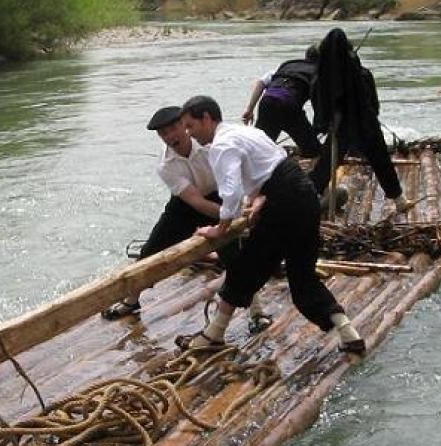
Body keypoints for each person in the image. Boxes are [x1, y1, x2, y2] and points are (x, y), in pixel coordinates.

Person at [178, 95, 366, 355]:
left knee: (245, 269)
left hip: (283, 205)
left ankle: (214, 334)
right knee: (303, 275)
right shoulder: (245, 132)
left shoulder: (221, 145)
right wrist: (259, 199)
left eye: (191, 126)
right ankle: (349, 333)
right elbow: (273, 165)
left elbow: (231, 194)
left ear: (207, 118)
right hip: (305, 196)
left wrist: (219, 229)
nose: (190, 133)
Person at [102, 106, 271, 333]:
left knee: (235, 259)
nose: (171, 137)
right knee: (150, 254)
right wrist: (233, 218)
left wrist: (244, 205)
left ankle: (256, 312)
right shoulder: (166, 165)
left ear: (185, 125)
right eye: (163, 134)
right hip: (186, 204)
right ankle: (131, 301)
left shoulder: (213, 143)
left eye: (174, 128)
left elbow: (240, 172)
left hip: (220, 195)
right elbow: (197, 203)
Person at [311, 28, 410, 214]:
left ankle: (311, 194)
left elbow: (320, 104)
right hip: (365, 123)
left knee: (327, 162)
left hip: (341, 126)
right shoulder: (360, 72)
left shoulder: (322, 76)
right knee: (381, 160)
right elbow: (373, 104)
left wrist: (326, 122)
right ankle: (399, 199)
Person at [241, 45, 321, 158]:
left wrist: (249, 109)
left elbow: (261, 82)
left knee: (259, 148)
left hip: (267, 102)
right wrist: (320, 126)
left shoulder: (288, 65)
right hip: (288, 106)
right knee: (313, 150)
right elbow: (318, 103)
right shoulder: (318, 72)